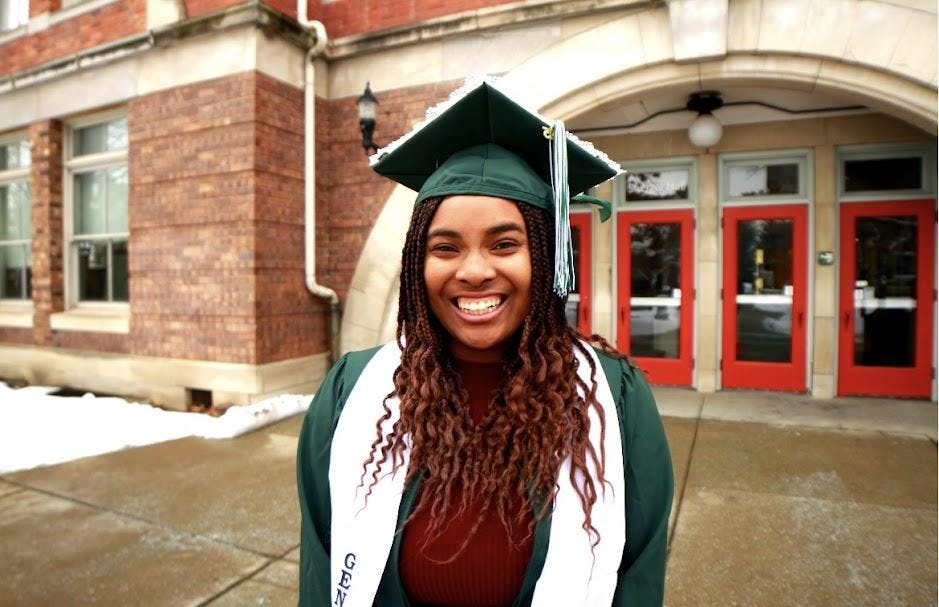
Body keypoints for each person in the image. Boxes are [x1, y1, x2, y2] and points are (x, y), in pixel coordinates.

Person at [297, 79, 673, 607]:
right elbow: (321, 564)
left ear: (543, 259)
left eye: (504, 244)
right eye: (445, 247)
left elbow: (637, 577)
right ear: (416, 266)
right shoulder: (353, 392)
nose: (474, 271)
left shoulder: (614, 398)